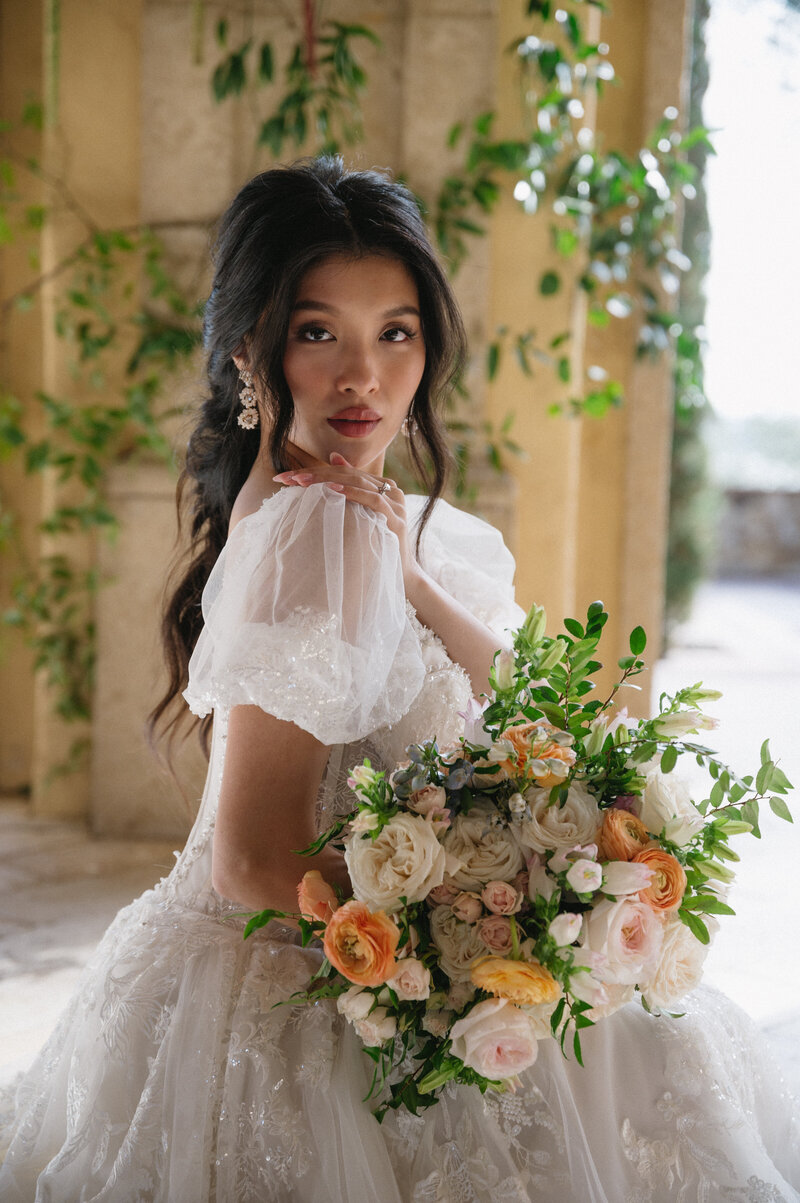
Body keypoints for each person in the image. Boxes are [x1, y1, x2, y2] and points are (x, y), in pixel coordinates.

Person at [0, 157, 797, 1203]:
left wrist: (416, 584)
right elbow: (250, 856)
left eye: (396, 333)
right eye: (317, 331)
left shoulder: (375, 527)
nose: (362, 377)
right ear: (252, 348)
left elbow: (541, 713)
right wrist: (477, 941)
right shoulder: (316, 531)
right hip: (320, 987)